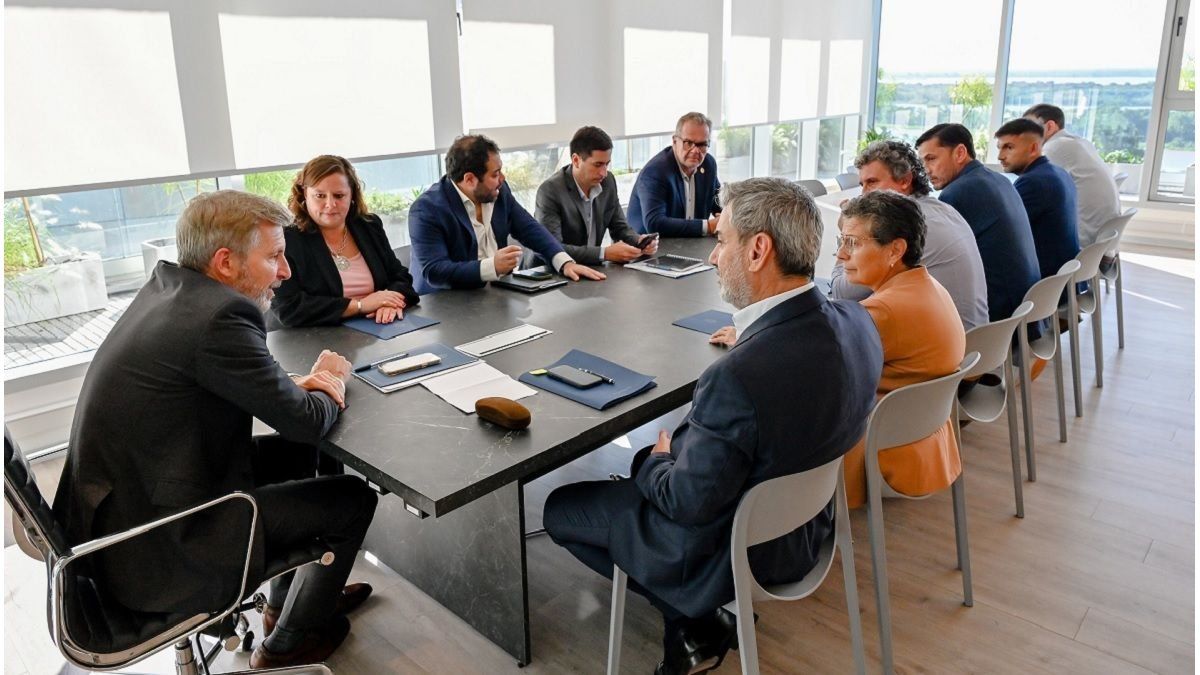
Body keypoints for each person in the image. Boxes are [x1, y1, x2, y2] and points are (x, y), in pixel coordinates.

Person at [543, 178, 882, 675]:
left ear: (758, 250)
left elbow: (685, 502)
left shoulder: (738, 377)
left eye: (722, 241)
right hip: (808, 529)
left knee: (559, 508)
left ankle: (691, 614)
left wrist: (653, 461)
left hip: (740, 551)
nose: (713, 257)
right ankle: (691, 625)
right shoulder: (858, 322)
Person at [51, 190, 379, 669]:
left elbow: (200, 378)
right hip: (160, 549)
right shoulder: (222, 316)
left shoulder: (171, 290)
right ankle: (292, 640)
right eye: (274, 257)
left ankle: (289, 603)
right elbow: (307, 421)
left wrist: (289, 386)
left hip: (124, 522)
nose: (286, 271)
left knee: (301, 456)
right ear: (225, 262)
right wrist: (330, 379)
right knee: (353, 499)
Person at [834, 190, 966, 508]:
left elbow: (816, 366)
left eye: (853, 243)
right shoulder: (929, 286)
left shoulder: (883, 311)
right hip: (925, 440)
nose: (840, 255)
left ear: (895, 250)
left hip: (882, 448)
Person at [408, 135, 605, 293]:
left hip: (496, 295)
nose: (502, 178)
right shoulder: (427, 209)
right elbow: (435, 271)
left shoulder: (498, 192)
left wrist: (564, 262)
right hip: (446, 305)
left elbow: (530, 228)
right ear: (469, 180)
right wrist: (491, 267)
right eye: (495, 174)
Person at [830, 139, 989, 330]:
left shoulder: (904, 227)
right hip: (976, 339)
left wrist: (847, 231)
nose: (863, 194)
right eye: (862, 184)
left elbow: (842, 293)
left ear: (905, 180)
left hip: (945, 344)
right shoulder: (945, 210)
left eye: (872, 182)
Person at [271, 154, 419, 327]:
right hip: (313, 337)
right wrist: (360, 306)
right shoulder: (287, 238)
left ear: (352, 195)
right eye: (320, 195)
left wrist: (389, 303)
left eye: (339, 195)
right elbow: (288, 307)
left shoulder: (369, 226)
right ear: (305, 194)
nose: (330, 204)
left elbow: (401, 277)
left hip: (379, 327)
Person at [916, 123, 1040, 326]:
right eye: (922, 162)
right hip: (1026, 305)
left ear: (960, 153)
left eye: (931, 159)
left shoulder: (958, 192)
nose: (926, 170)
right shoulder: (998, 179)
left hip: (1000, 316)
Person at [535, 126, 659, 263]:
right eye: (597, 165)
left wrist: (638, 240)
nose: (604, 173)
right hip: (547, 271)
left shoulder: (608, 182)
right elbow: (552, 248)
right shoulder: (550, 191)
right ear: (576, 160)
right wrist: (604, 253)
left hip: (589, 268)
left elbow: (620, 227)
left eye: (607, 164)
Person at [1024, 103, 1122, 247]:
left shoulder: (1055, 147)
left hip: (1081, 240)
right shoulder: (1080, 142)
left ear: (1049, 126)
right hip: (1098, 239)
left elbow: (1030, 189)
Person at [995, 119, 1081, 279]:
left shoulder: (1033, 182)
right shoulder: (1059, 172)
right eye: (999, 148)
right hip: (1065, 277)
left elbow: (1000, 231)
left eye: (1009, 147)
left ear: (1033, 148)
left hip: (1046, 280)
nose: (1000, 156)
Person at [626, 112, 723, 237]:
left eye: (702, 144)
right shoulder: (655, 171)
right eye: (688, 143)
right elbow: (654, 223)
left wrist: (725, 215)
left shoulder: (708, 164)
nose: (695, 150)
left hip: (691, 242)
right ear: (675, 141)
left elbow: (717, 200)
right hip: (650, 245)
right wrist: (708, 226)